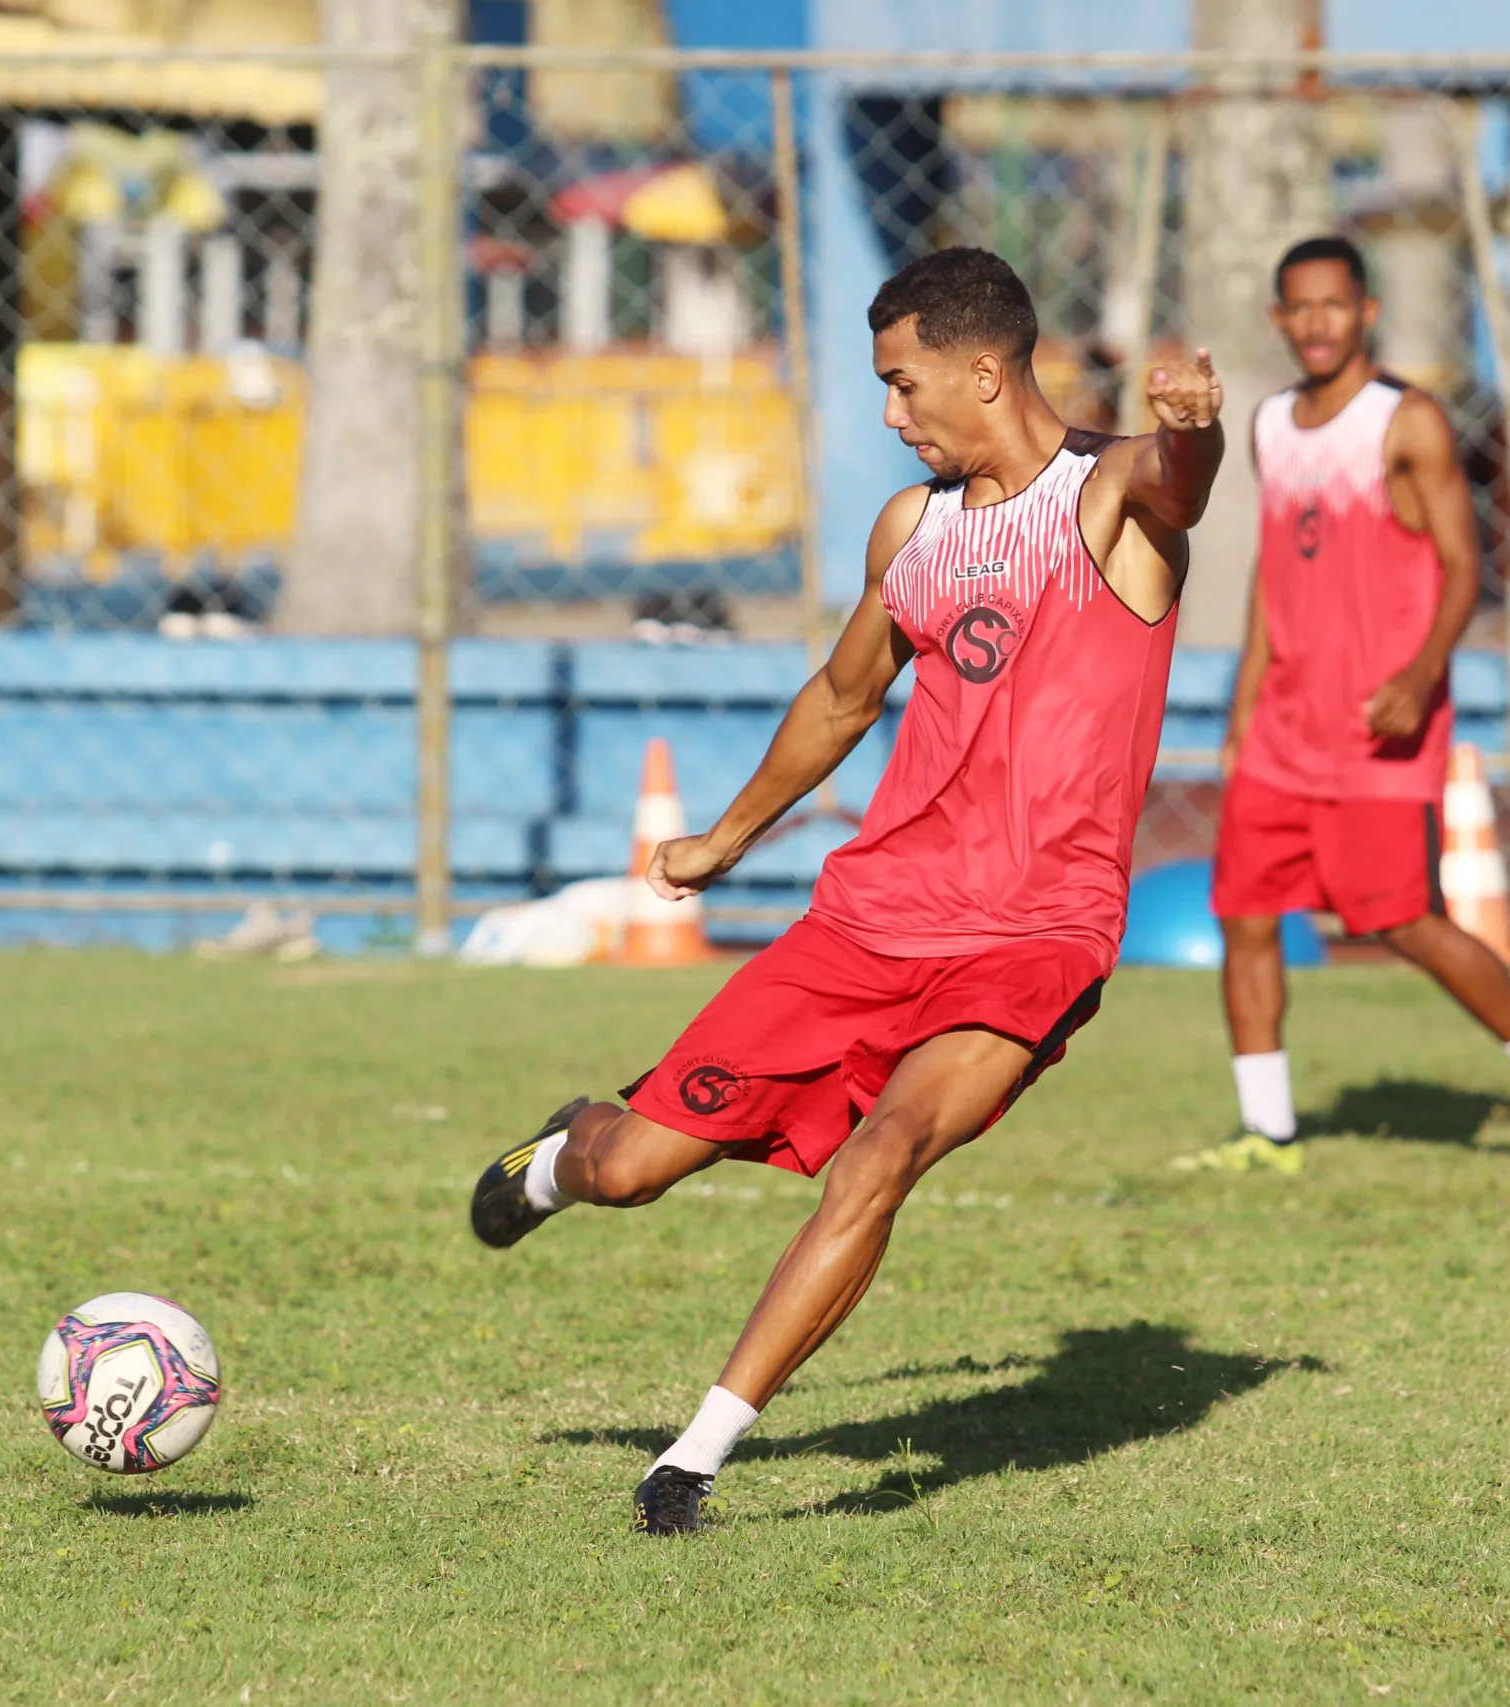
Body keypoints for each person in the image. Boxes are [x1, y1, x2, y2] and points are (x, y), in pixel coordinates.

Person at [466, 247, 1226, 1536]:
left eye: (901, 382)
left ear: (983, 371)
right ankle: (560, 1156)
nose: (889, 413)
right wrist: (723, 839)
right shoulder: (912, 530)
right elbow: (839, 698)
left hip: (1034, 937)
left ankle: (690, 1461)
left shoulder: (1106, 500)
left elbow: (1177, 486)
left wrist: (1192, 434)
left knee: (883, 1156)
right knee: (640, 1166)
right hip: (868, 922)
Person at [1174, 236, 1510, 1186]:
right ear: (1279, 320)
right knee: (1247, 916)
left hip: (1377, 725)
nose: (1318, 322)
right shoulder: (1272, 424)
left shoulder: (1405, 423)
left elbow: (1464, 565)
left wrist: (1420, 674)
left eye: (1336, 304)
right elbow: (1274, 571)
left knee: (1401, 919)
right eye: (1300, 307)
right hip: (1282, 727)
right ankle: (1267, 1131)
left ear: (1366, 312)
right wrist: (1245, 700)